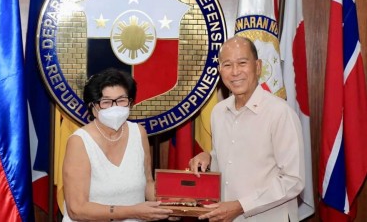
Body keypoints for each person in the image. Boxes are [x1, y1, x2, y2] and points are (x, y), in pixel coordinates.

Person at [189, 36, 305, 222]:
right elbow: (230, 157)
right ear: (220, 70)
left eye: (242, 63)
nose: (235, 72)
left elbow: (293, 181)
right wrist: (210, 157)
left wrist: (241, 206)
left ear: (258, 67)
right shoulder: (218, 112)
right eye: (227, 65)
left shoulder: (280, 113)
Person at [63, 68, 172, 221]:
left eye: (121, 100)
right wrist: (132, 211)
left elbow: (147, 182)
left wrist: (171, 206)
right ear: (93, 107)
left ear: (130, 102)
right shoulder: (79, 141)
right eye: (106, 102)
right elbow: (77, 209)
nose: (115, 107)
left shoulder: (138, 132)